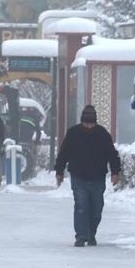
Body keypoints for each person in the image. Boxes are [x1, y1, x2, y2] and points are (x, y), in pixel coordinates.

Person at [54, 105, 121, 247]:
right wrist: (59, 171)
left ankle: (91, 234)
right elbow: (63, 153)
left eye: (91, 123)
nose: (89, 126)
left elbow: (112, 154)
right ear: (82, 121)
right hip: (78, 176)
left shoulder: (103, 134)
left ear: (95, 122)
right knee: (81, 206)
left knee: (97, 208)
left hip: (98, 177)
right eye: (86, 123)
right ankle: (81, 236)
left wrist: (115, 172)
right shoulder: (73, 133)